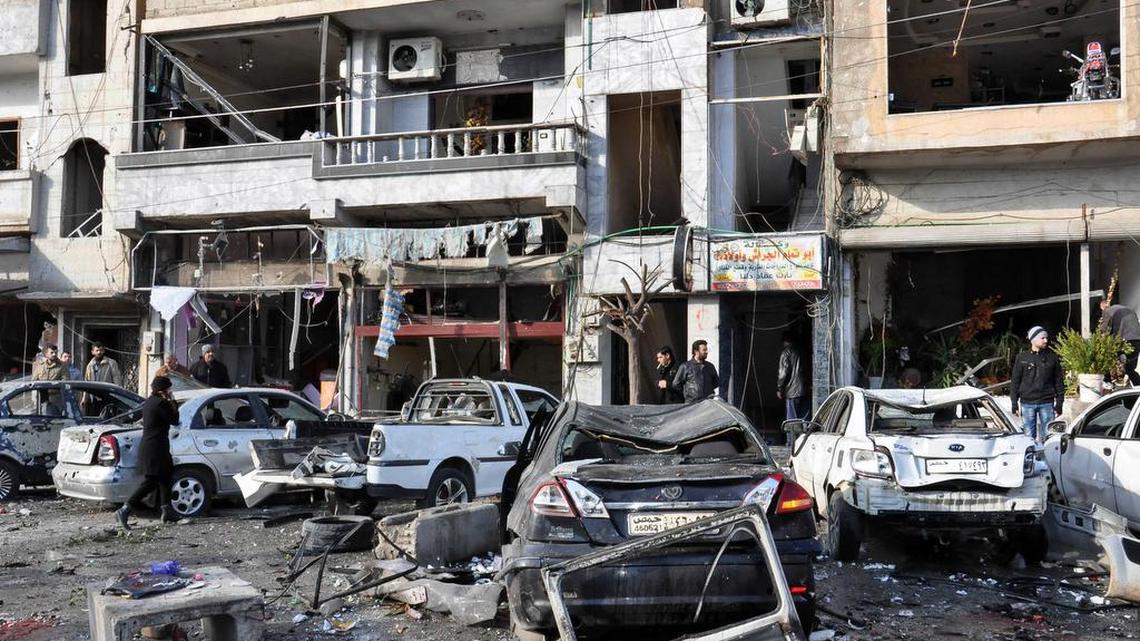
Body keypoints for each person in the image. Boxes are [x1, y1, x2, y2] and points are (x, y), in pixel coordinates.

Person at [116, 376, 181, 531]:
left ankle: (167, 510)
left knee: (165, 477)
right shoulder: (160, 404)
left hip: (155, 446)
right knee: (151, 481)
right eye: (168, 389)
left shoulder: (150, 402)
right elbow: (175, 419)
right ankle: (124, 510)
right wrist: (173, 401)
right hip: (155, 448)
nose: (170, 392)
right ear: (162, 390)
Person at [1010, 326, 1065, 444]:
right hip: (1027, 402)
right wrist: (1014, 403)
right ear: (1033, 340)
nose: (1046, 340)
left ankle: (1048, 459)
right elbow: (1015, 381)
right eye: (1042, 338)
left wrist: (1059, 403)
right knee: (1028, 436)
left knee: (1049, 436)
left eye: (1046, 338)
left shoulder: (1052, 357)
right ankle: (1032, 459)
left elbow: (1058, 381)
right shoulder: (1022, 358)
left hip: (1046, 401)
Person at [1098, 299, 1140, 386]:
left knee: (1106, 357)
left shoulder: (1108, 311)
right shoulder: (1126, 309)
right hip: (1137, 339)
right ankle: (1138, 387)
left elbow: (1104, 331)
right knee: (1129, 368)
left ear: (1103, 307)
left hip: (1125, 339)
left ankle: (1107, 381)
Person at [777, 332, 807, 446]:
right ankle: (801, 442)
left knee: (791, 419)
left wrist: (779, 388)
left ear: (784, 342)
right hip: (803, 389)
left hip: (792, 390)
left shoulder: (786, 352)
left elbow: (783, 372)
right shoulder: (801, 351)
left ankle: (791, 443)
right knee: (802, 418)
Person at [673, 339, 720, 404]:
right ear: (696, 351)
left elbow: (716, 383)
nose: (706, 352)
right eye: (704, 350)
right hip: (692, 404)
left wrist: (707, 390)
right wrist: (688, 393)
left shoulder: (710, 366)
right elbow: (676, 384)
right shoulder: (685, 366)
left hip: (707, 404)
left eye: (706, 349)